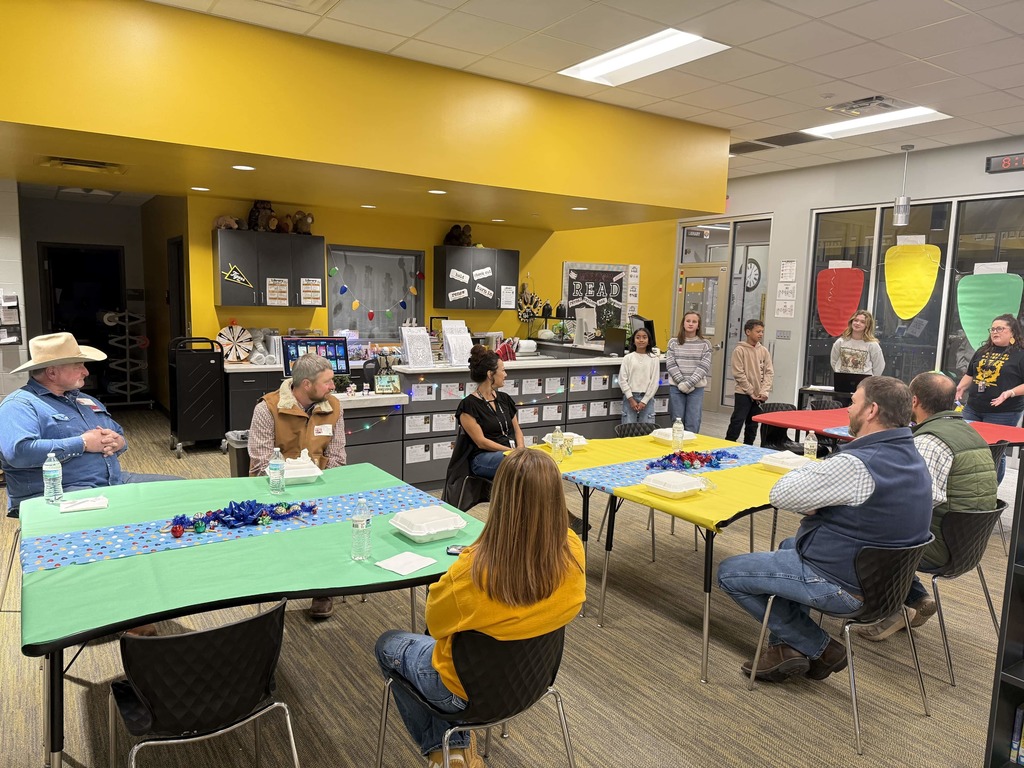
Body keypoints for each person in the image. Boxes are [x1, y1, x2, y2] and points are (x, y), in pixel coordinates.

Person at [375, 449, 586, 768]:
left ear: (499, 498)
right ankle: (453, 752)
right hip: (533, 681)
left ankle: (443, 751)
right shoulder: (572, 549)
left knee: (388, 644)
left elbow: (435, 623)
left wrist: (475, 551)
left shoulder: (474, 570)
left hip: (462, 693)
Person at [717, 376, 933, 682]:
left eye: (853, 402)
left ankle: (821, 647)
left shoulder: (857, 464)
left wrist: (816, 495)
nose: (848, 409)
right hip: (886, 585)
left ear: (871, 410)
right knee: (789, 545)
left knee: (728, 572)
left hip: (844, 584)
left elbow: (780, 494)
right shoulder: (913, 458)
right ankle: (785, 650)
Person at [856, 372, 998, 641]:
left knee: (863, 534)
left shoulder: (928, 442)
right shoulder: (970, 432)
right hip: (970, 544)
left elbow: (919, 502)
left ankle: (891, 609)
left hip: (941, 545)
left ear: (914, 401)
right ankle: (917, 598)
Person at [0, 332, 182, 515]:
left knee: (183, 490)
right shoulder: (20, 405)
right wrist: (83, 443)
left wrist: (118, 442)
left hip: (114, 481)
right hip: (61, 494)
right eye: (78, 366)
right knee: (118, 517)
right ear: (52, 372)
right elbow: (18, 453)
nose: (86, 372)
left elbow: (117, 431)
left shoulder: (85, 400)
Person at [248, 352, 346, 619]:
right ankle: (277, 587)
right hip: (277, 489)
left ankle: (323, 588)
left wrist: (319, 487)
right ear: (306, 385)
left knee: (335, 521)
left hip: (321, 487)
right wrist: (295, 485)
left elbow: (338, 457)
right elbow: (260, 462)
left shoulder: (334, 407)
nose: (333, 386)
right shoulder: (267, 408)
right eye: (327, 382)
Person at [955, 313, 1024, 482]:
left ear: (1012, 332)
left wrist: (1009, 393)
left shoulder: (1020, 354)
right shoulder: (983, 351)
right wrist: (960, 387)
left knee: (995, 451)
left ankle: (992, 487)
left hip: (1003, 412)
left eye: (1000, 328)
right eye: (992, 329)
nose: (995, 332)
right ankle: (971, 482)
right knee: (967, 444)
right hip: (973, 408)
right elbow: (971, 373)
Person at [454, 345, 524, 480]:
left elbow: (517, 430)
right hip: (483, 458)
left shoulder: (504, 399)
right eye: (503, 370)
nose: (505, 375)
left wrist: (520, 450)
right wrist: (511, 452)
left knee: (537, 460)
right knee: (519, 464)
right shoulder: (469, 405)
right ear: (490, 374)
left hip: (510, 453)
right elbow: (481, 442)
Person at [725, 319, 773, 445]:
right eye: (758, 331)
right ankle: (727, 445)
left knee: (753, 424)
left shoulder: (764, 351)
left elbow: (769, 372)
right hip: (743, 393)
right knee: (737, 421)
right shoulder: (739, 350)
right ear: (748, 332)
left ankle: (748, 447)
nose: (761, 334)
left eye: (762, 331)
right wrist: (750, 391)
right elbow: (738, 373)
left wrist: (764, 391)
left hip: (759, 395)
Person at [665, 311, 712, 432]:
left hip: (696, 388)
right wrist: (681, 382)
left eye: (694, 321)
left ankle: (691, 444)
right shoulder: (673, 342)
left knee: (693, 421)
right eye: (688, 321)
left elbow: (704, 366)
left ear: (698, 325)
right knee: (677, 420)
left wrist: (689, 383)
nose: (690, 324)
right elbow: (670, 364)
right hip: (676, 387)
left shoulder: (705, 344)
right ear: (683, 323)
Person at [618, 327, 659, 425]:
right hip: (630, 397)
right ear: (633, 341)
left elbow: (654, 382)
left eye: (644, 337)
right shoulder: (628, 358)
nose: (641, 340)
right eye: (638, 337)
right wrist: (630, 398)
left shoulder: (654, 359)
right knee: (628, 428)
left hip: (647, 398)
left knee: (647, 428)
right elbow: (622, 379)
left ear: (649, 341)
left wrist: (644, 401)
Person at [830, 309, 885, 375]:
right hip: (842, 378)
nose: (858, 323)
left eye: (862, 322)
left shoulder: (873, 345)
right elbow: (834, 361)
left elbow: (879, 366)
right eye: (856, 320)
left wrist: (870, 380)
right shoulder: (840, 342)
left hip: (864, 380)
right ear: (851, 322)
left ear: (867, 326)